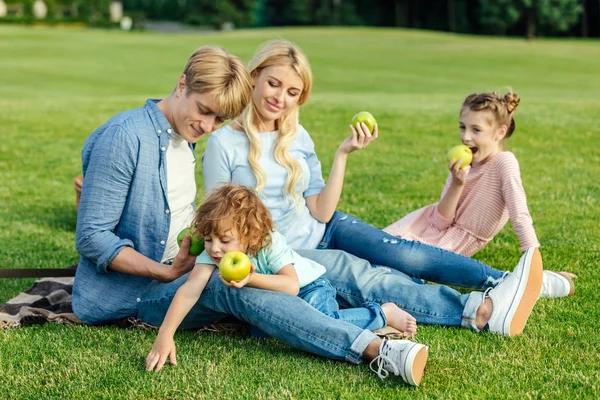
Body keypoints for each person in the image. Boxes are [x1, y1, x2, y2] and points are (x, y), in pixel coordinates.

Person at [72, 45, 432, 387]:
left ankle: (473, 308)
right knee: (237, 289)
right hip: (140, 291)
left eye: (219, 118)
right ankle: (376, 349)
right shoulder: (125, 137)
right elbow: (93, 237)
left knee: (335, 267)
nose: (209, 126)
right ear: (182, 84)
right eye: (204, 110)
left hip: (190, 263)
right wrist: (166, 271)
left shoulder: (183, 134)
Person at [201, 39, 545, 340]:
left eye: (292, 92)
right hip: (286, 251)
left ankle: (513, 281)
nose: (280, 98)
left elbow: (320, 210)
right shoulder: (224, 143)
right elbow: (219, 222)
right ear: (254, 76)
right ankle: (479, 310)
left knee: (404, 254)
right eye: (273, 84)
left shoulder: (297, 136)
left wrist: (342, 154)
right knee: (368, 278)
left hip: (323, 225)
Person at [146, 184, 419, 372]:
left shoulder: (268, 243)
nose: (215, 248)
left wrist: (251, 279)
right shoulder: (213, 255)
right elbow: (190, 290)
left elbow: (290, 285)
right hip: (276, 299)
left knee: (324, 323)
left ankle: (382, 313)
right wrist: (165, 334)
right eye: (208, 239)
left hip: (308, 286)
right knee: (265, 332)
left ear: (250, 234)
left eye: (224, 240)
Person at [383, 91, 576, 298]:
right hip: (424, 225)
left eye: (476, 130)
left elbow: (519, 212)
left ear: (500, 132)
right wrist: (457, 183)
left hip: (450, 243)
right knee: (374, 250)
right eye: (462, 127)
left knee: (390, 272)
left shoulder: (504, 163)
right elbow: (440, 222)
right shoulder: (464, 164)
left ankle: (543, 281)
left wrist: (532, 256)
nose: (466, 137)